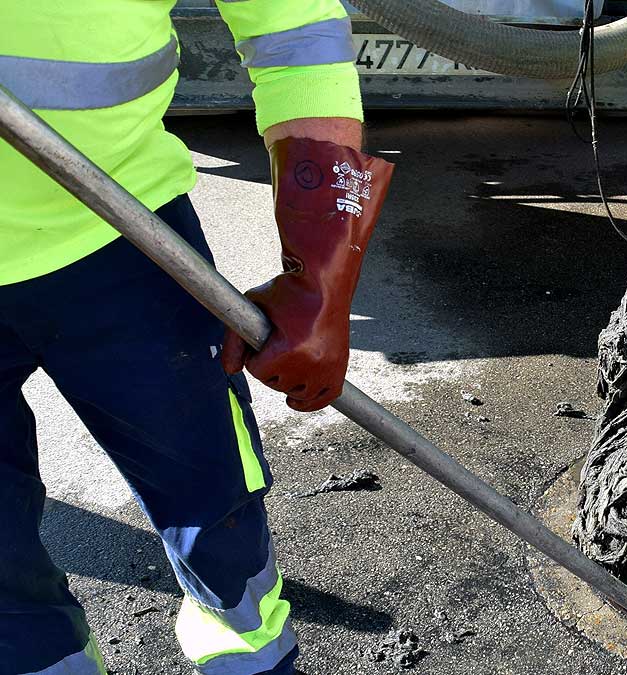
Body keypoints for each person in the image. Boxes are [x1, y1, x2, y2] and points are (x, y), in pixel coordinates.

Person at [0, 2, 394, 673]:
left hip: (124, 234)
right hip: (127, 235)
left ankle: (247, 649)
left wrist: (322, 272)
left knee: (216, 506)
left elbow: (289, 24)